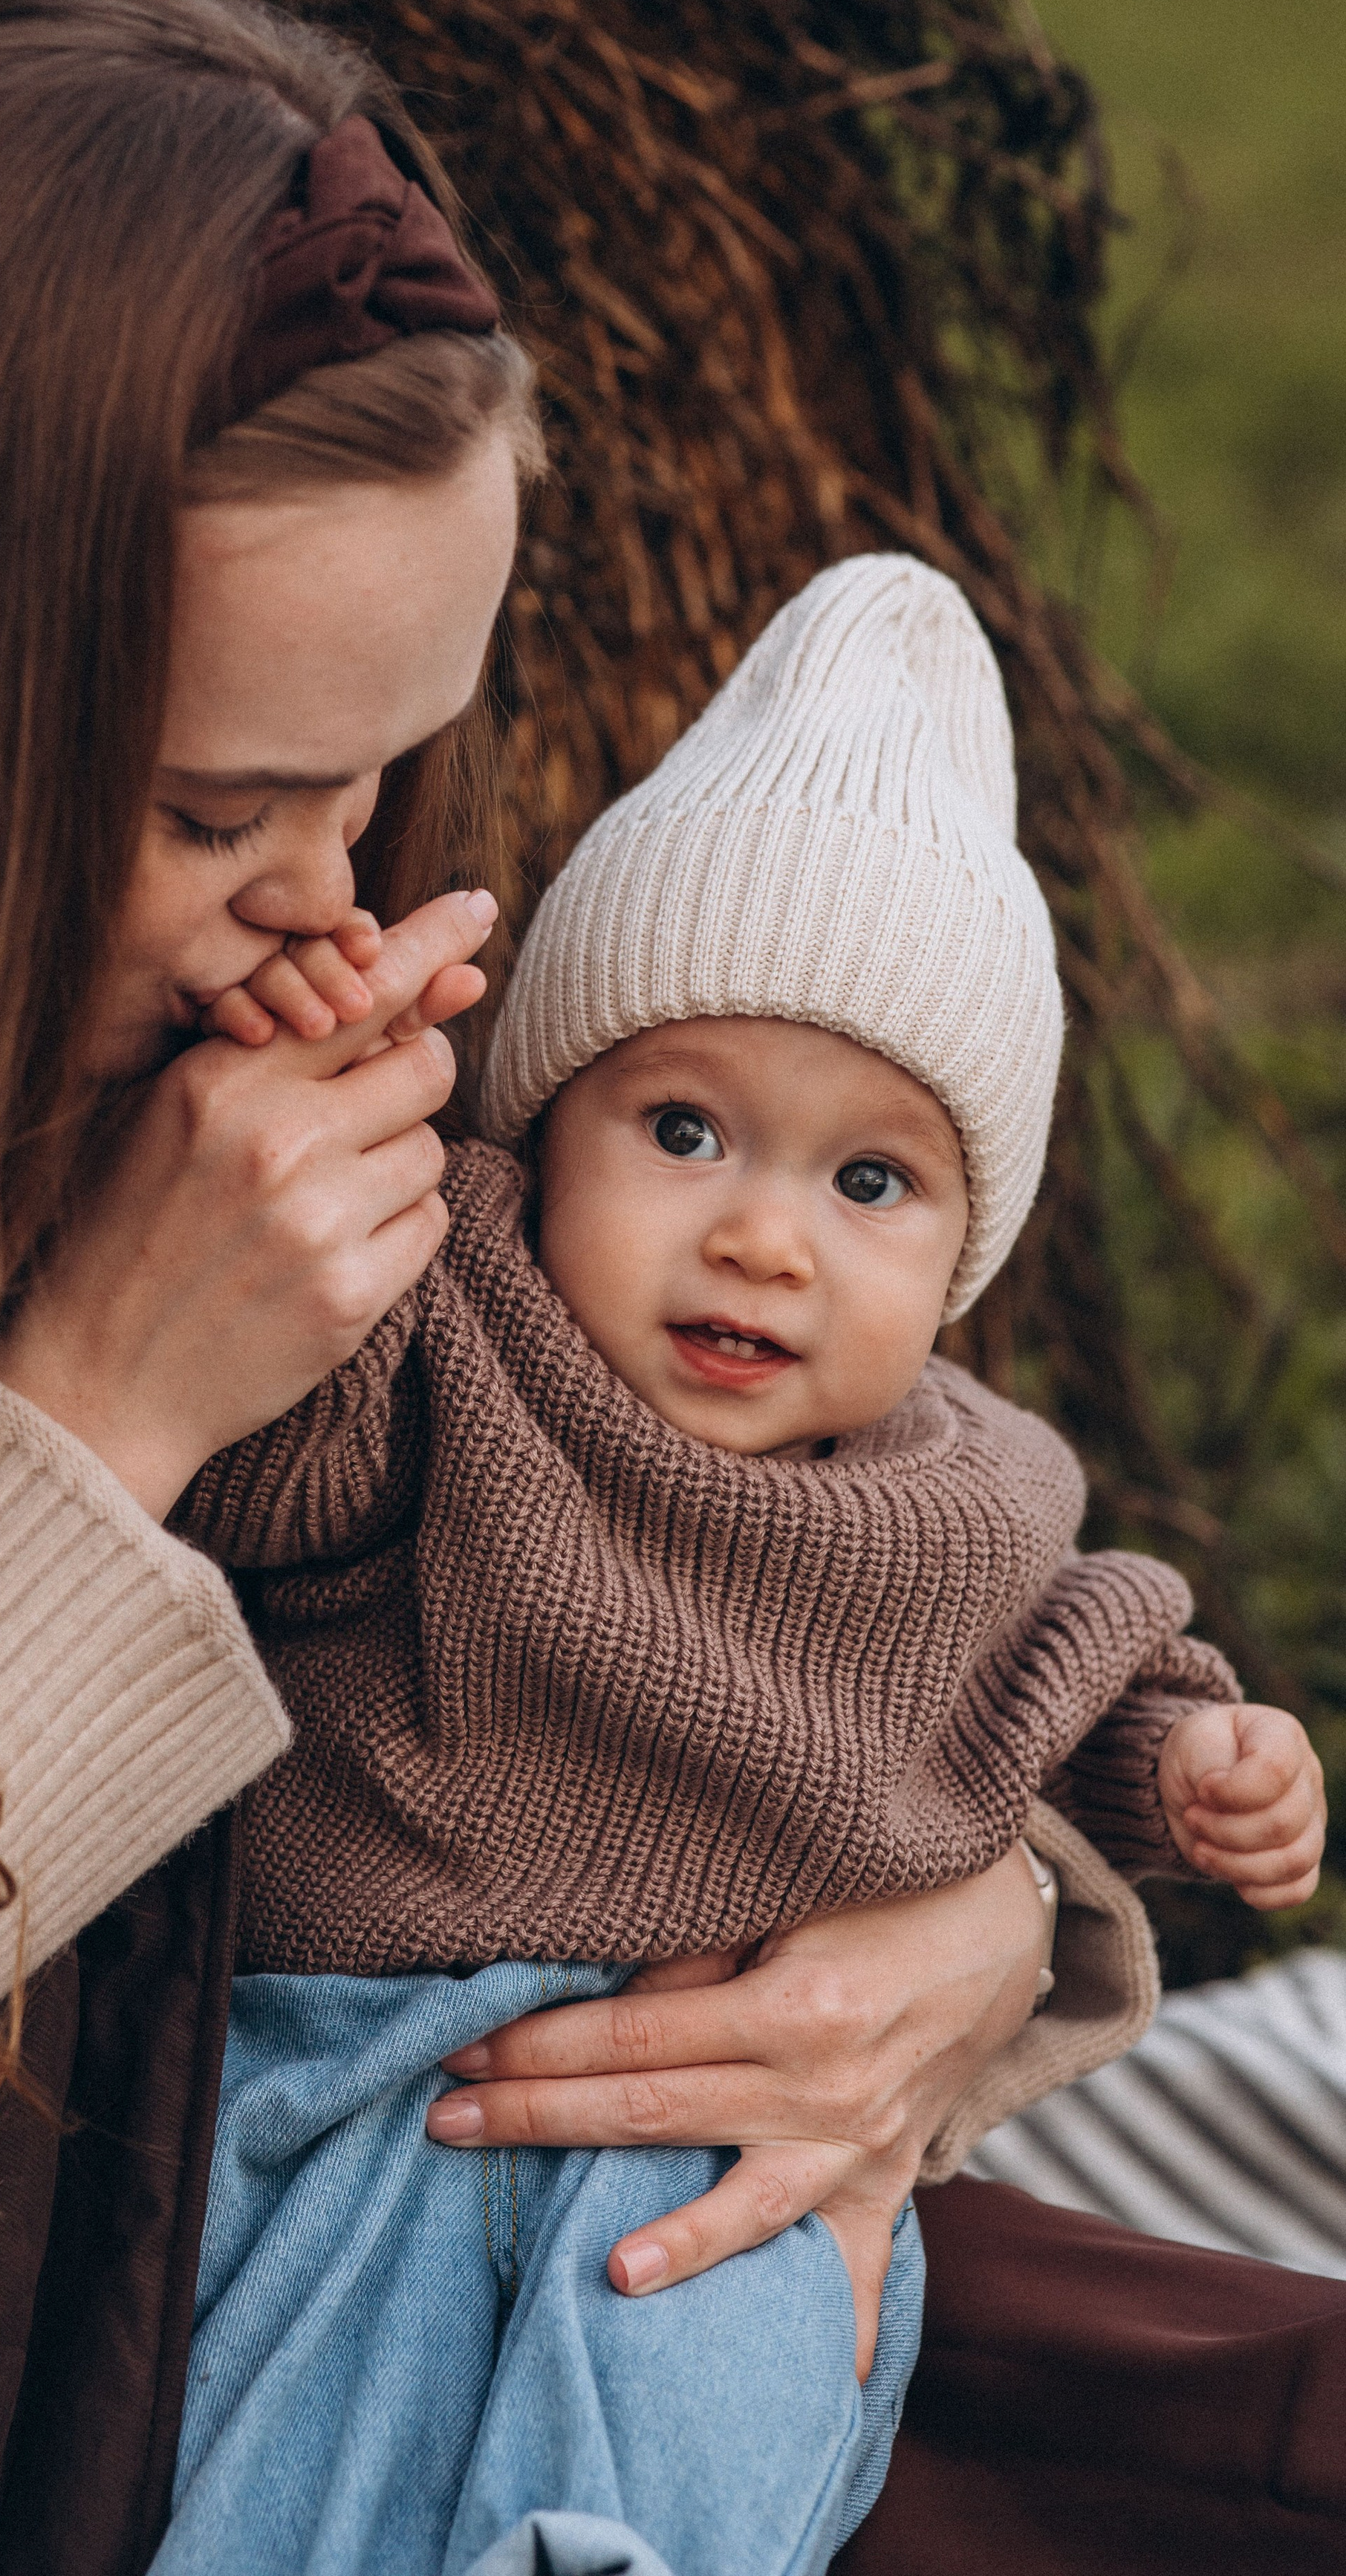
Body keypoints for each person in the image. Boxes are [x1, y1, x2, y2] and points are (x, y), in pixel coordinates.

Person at [0, 0, 1232, 2574]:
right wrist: (95, 1418)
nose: (335, 896)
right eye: (210, 806)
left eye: (386, 770)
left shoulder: (250, 1031)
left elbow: (643, 1566)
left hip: (271, 2275)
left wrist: (962, 1927)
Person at [157, 555, 1327, 2576]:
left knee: (737, 2340)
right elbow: (250, 1473)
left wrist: (1201, 1765)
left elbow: (1086, 1678)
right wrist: (317, 1114)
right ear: (538, 1130)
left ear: (961, 1259)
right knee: (299, 2443)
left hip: (745, 2130)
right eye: (684, 1130)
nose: (764, 1239)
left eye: (869, 1182)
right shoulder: (457, 1335)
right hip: (361, 2086)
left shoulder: (976, 1494)